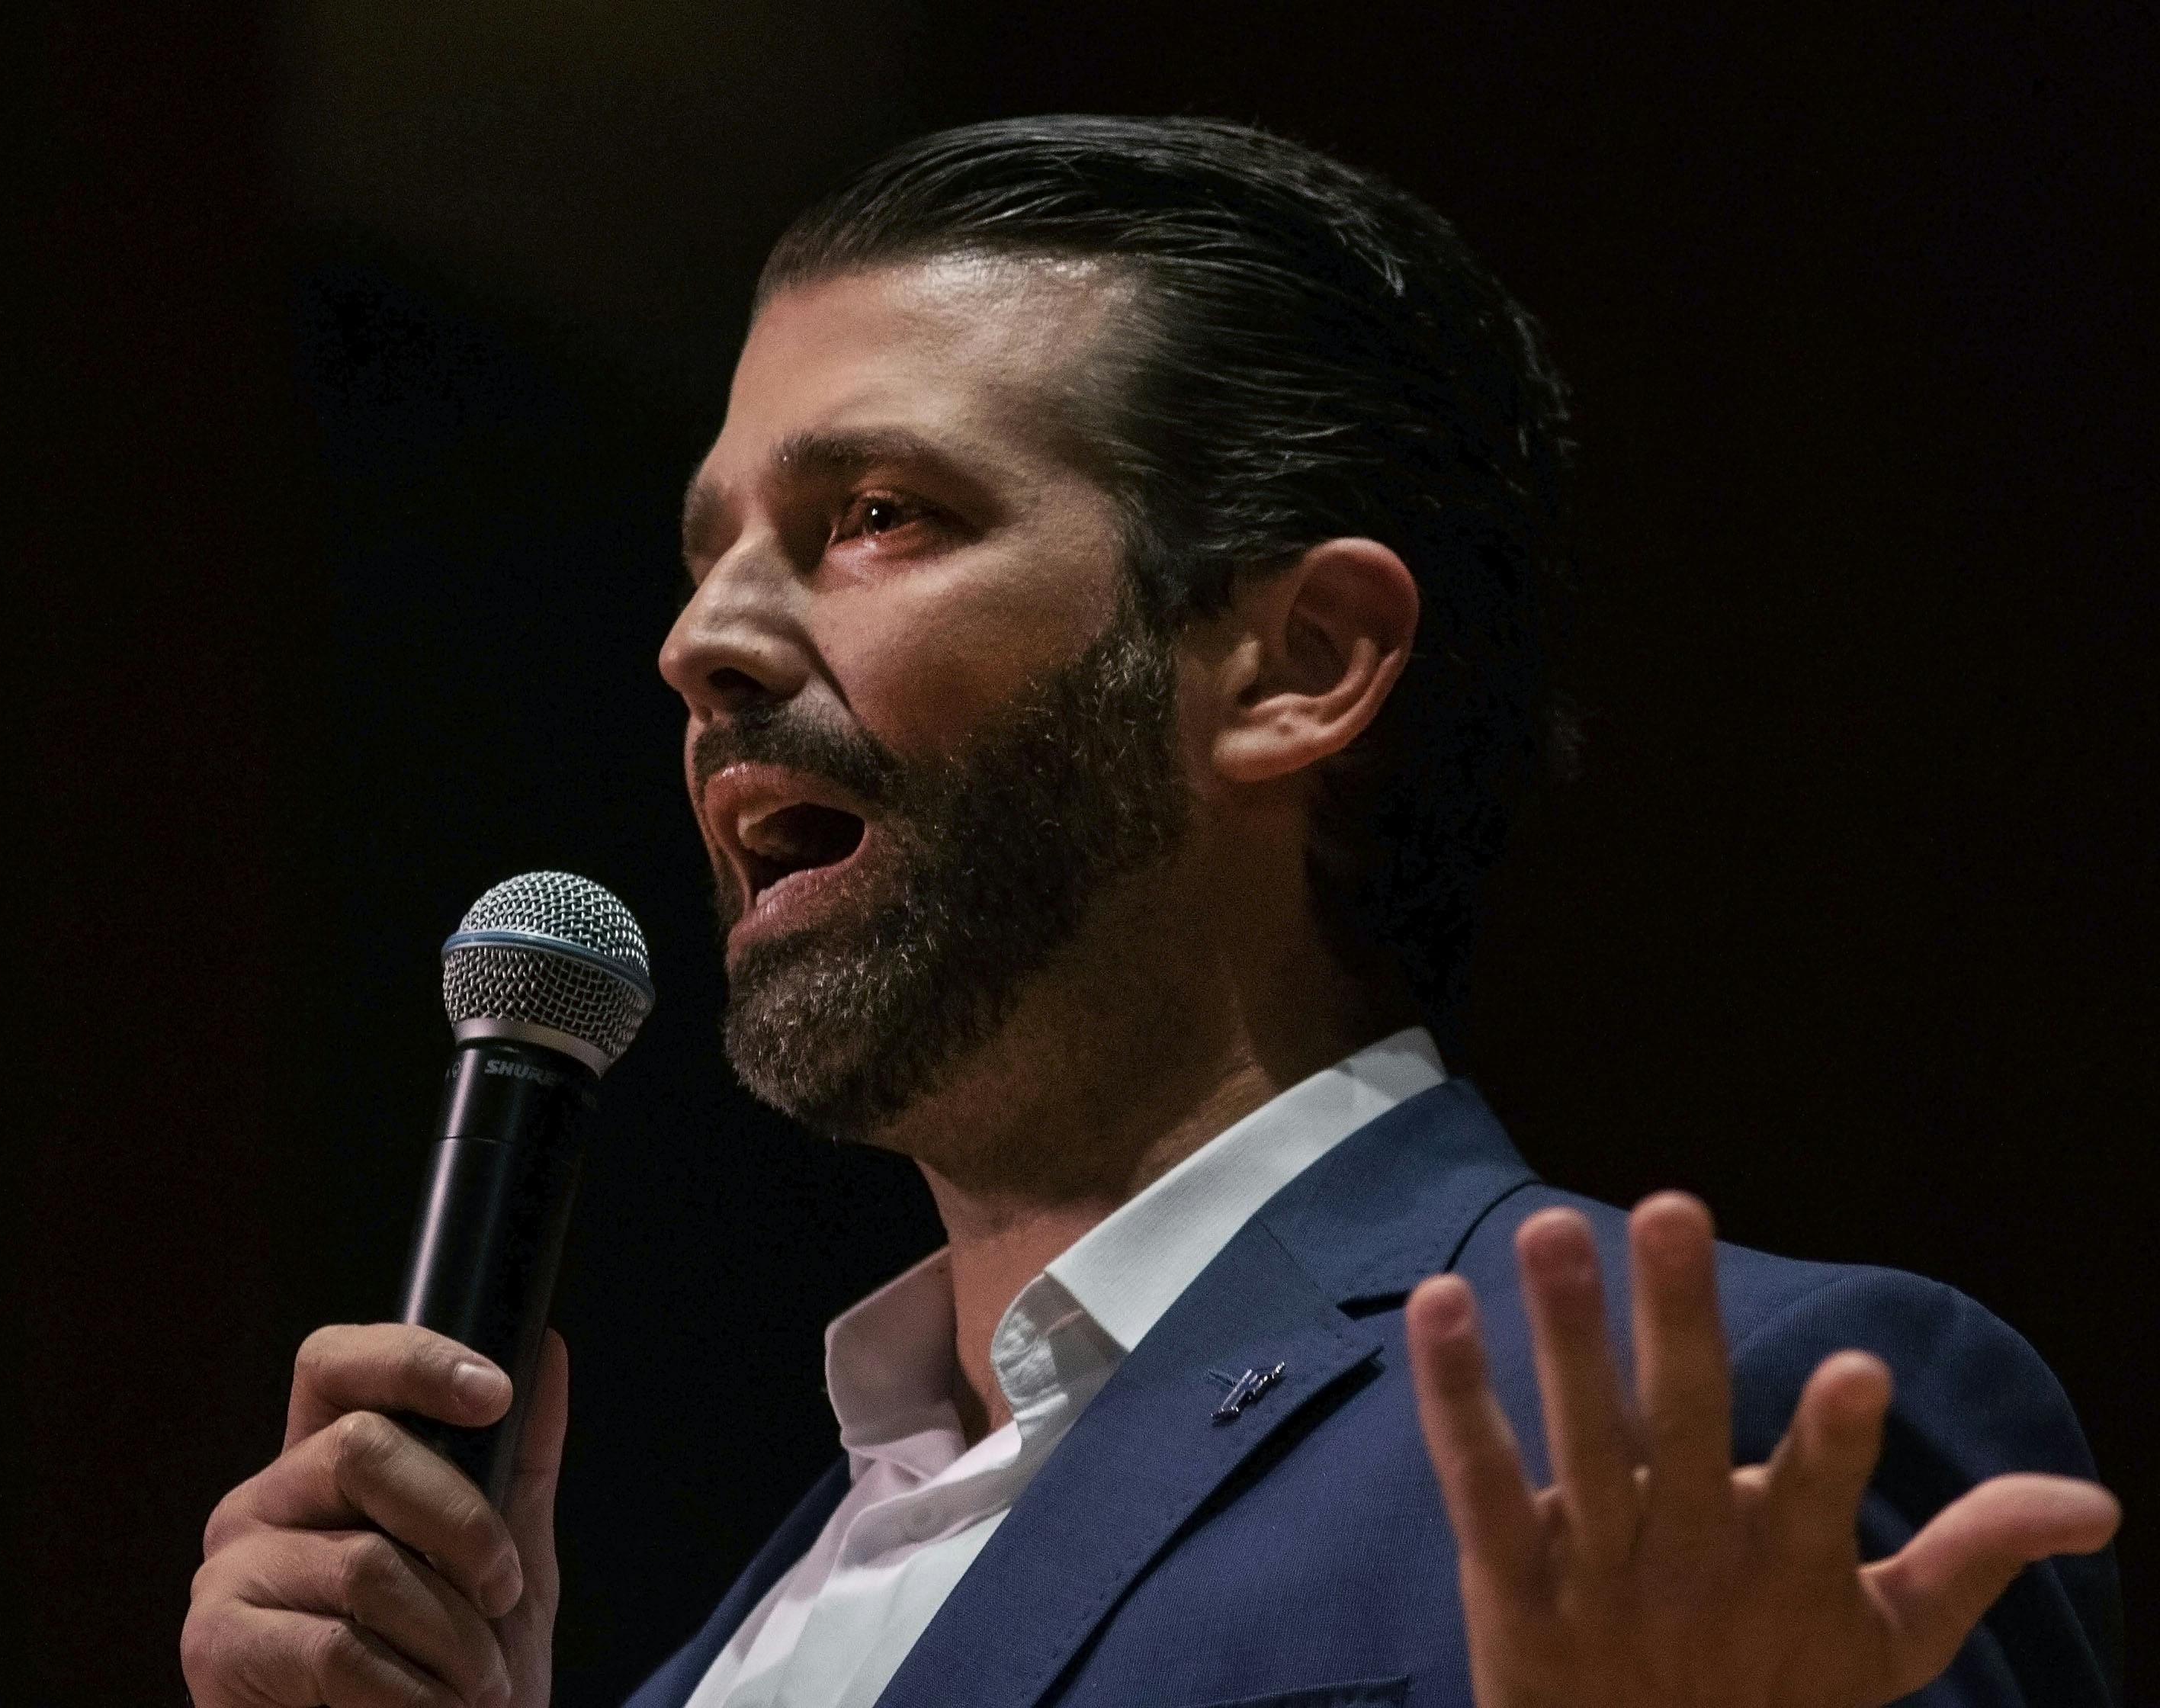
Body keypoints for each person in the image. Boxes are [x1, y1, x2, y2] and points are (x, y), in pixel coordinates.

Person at [180, 116, 2121, 1708]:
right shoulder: (737, 1643)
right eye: (710, 554)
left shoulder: (1693, 1439)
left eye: (879, 516)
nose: (706, 639)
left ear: (1302, 662)